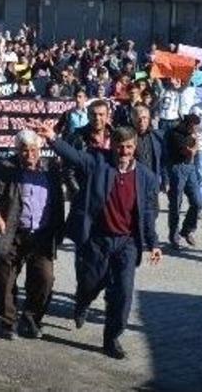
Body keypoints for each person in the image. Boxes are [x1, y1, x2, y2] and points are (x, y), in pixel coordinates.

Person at [35, 122, 162, 360]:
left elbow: (147, 213)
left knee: (123, 291)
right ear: (111, 145)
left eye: (129, 147)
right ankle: (82, 302)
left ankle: (111, 338)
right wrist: (52, 137)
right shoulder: (98, 162)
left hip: (127, 242)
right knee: (90, 283)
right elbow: (74, 156)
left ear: (135, 147)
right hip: (97, 239)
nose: (124, 151)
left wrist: (154, 243)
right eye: (120, 146)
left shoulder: (146, 177)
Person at [0, 130, 66, 340]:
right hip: (13, 233)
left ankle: (31, 318)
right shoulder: (7, 168)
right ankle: (8, 321)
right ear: (17, 151)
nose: (29, 155)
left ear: (40, 149)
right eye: (24, 151)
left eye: (33, 150)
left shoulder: (51, 168)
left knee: (45, 279)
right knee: (5, 279)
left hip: (42, 235)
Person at [166, 135, 202, 249]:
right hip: (176, 167)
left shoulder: (194, 132)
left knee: (198, 202)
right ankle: (174, 236)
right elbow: (189, 152)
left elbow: (194, 152)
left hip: (190, 167)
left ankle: (187, 230)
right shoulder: (176, 133)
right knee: (175, 204)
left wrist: (196, 146)